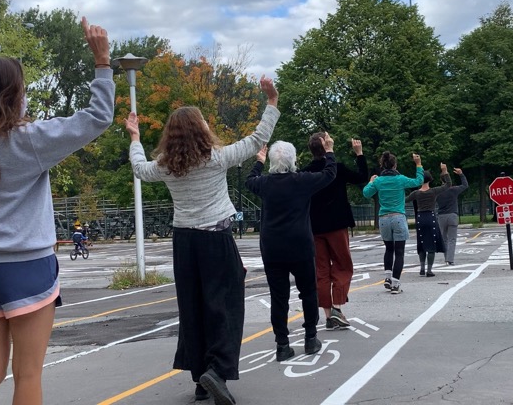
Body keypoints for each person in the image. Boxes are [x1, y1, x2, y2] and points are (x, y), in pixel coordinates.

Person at [0, 17, 115, 405]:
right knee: (28, 374)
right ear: (13, 94)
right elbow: (97, 118)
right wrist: (102, 63)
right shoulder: (29, 141)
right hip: (25, 267)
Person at [124, 77, 279, 405]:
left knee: (192, 307)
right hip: (215, 239)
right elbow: (258, 139)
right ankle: (217, 370)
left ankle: (199, 378)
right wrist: (272, 103)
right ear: (201, 129)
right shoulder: (217, 158)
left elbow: (139, 168)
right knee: (225, 306)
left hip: (184, 243)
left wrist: (135, 138)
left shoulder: (166, 166)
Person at [245, 136, 337, 362]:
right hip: (300, 245)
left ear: (272, 163)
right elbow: (329, 174)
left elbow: (249, 180)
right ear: (293, 160)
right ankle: (310, 338)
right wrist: (329, 152)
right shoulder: (302, 181)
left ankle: (282, 344)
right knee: (308, 291)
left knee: (279, 298)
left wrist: (258, 160)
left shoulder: (265, 184)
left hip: (273, 247)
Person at [301, 136, 368, 329]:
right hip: (337, 224)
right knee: (342, 264)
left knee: (321, 270)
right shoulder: (337, 168)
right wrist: (359, 154)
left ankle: (328, 314)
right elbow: (361, 177)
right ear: (327, 146)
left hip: (315, 226)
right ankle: (337, 306)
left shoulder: (306, 172)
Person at [363, 152, 424, 294]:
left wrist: (371, 181)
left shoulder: (378, 181)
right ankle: (396, 283)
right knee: (400, 251)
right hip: (398, 217)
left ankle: (388, 277)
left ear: (381, 165)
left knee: (388, 249)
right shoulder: (400, 179)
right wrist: (418, 164)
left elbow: (366, 193)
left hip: (383, 218)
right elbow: (418, 181)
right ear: (395, 165)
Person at [405, 164, 452, 277]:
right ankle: (429, 270)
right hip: (430, 217)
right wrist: (445, 171)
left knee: (421, 243)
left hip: (420, 218)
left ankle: (421, 268)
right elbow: (448, 185)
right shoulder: (434, 191)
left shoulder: (416, 193)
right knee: (431, 244)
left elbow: (404, 200)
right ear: (430, 179)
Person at [436, 168, 468, 265]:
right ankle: (450, 259)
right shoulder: (454, 190)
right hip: (452, 215)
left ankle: (446, 257)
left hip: (441, 216)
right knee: (452, 239)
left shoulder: (437, 191)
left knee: (444, 238)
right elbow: (465, 185)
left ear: (441, 180)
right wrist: (461, 174)